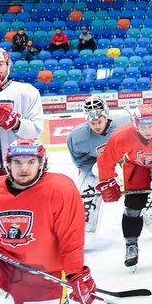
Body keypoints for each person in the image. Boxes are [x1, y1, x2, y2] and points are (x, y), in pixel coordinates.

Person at [0, 139, 96, 304]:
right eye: (17, 162)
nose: (24, 168)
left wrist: (75, 274)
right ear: (8, 164)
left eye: (31, 161)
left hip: (41, 273)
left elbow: (70, 237)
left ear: (42, 163)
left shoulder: (60, 188)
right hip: (1, 261)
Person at [96, 103, 152, 269]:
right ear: (135, 124)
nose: (147, 130)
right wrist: (107, 181)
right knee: (133, 203)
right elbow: (106, 160)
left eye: (151, 125)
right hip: (136, 165)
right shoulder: (121, 136)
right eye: (143, 126)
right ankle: (131, 245)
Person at [65, 96, 132, 239]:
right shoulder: (77, 137)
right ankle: (85, 231)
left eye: (99, 121)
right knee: (86, 194)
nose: (96, 126)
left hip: (127, 162)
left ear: (106, 115)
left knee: (141, 189)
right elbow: (81, 161)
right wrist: (100, 172)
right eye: (92, 122)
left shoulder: (126, 123)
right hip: (98, 166)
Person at [0, 46, 44, 178]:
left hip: (21, 163)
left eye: (0, 63)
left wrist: (16, 123)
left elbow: (36, 130)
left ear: (8, 65)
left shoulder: (27, 91)